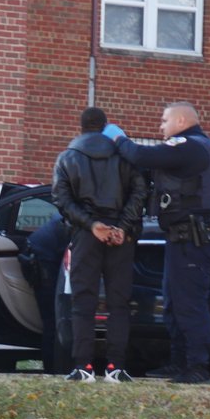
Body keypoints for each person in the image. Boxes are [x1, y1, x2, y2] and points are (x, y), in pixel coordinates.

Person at [103, 101, 210, 384]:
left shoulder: (189, 145)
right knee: (174, 301)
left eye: (164, 120)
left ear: (181, 120)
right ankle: (179, 362)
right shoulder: (200, 146)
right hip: (184, 236)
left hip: (194, 236)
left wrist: (117, 137)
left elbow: (140, 155)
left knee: (189, 303)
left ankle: (197, 367)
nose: (161, 127)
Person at [51, 106, 148, 382]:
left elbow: (61, 199)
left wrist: (92, 225)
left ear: (81, 127)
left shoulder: (68, 157)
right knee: (119, 302)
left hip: (86, 234)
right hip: (120, 235)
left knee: (83, 301)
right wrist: (123, 226)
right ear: (106, 127)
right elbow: (140, 191)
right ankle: (116, 367)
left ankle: (84, 366)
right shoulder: (124, 158)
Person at [19, 214, 72, 374]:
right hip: (43, 261)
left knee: (51, 319)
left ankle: (53, 366)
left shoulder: (68, 217)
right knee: (52, 319)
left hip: (38, 255)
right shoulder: (77, 221)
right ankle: (53, 368)